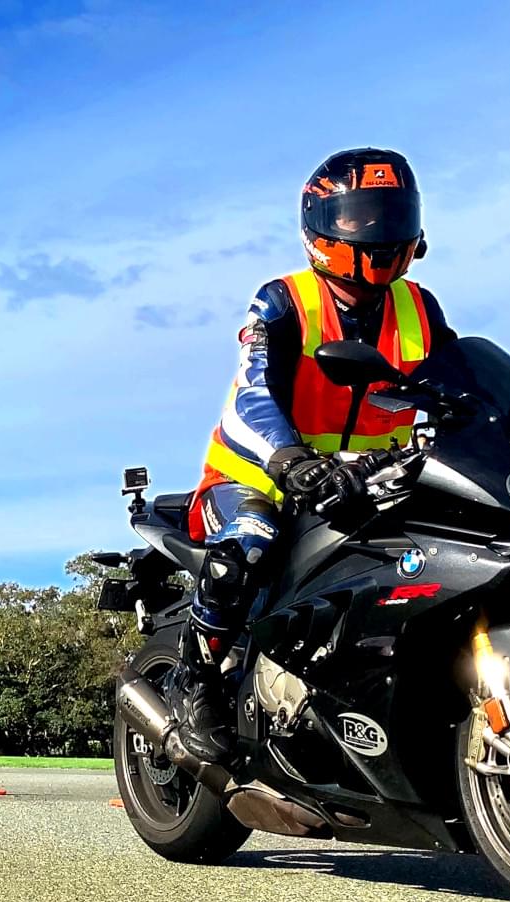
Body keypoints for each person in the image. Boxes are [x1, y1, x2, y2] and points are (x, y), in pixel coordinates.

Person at [173, 147, 457, 765]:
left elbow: (462, 383)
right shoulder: (284, 301)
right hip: (261, 479)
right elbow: (250, 396)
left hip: (371, 484)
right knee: (250, 540)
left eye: (392, 213)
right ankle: (196, 680)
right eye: (360, 217)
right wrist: (291, 461)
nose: (379, 231)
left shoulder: (421, 309)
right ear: (322, 225)